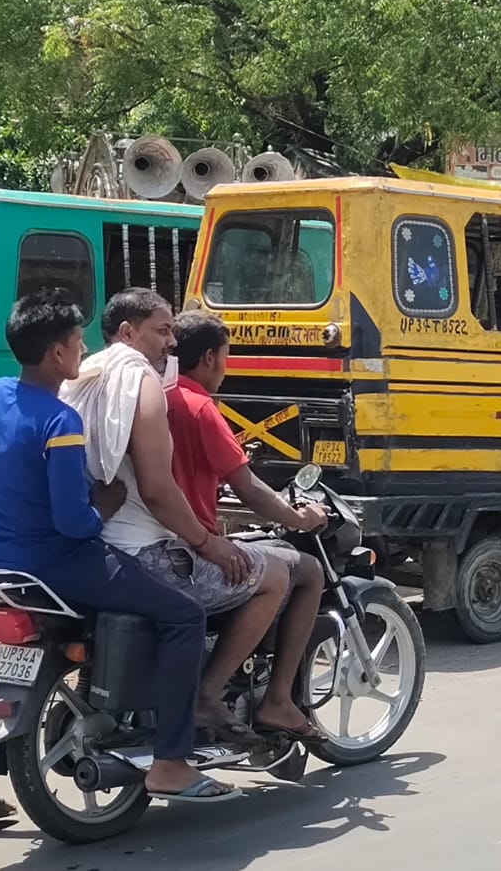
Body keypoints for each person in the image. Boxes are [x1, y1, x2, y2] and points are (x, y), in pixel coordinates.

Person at [0, 289, 237, 824]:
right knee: (185, 614)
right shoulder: (61, 423)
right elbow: (73, 522)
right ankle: (173, 761)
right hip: (62, 562)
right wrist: (104, 503)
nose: (83, 350)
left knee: (27, 649)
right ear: (59, 355)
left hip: (0, 559)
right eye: (76, 342)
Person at [66, 289, 321, 745]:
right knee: (277, 573)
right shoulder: (146, 385)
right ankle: (209, 700)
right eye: (163, 332)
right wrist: (211, 542)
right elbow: (163, 489)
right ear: (128, 332)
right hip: (152, 550)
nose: (170, 344)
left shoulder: (87, 377)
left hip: (94, 544)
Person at [170, 309, 329, 743]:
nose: (226, 366)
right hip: (188, 552)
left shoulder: (157, 396)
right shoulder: (201, 407)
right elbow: (248, 487)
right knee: (302, 571)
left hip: (163, 541)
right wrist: (299, 516)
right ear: (207, 358)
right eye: (225, 356)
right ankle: (270, 698)